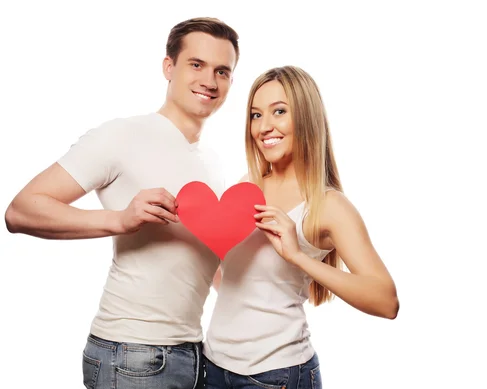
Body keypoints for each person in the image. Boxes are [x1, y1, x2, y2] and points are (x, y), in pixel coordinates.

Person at [4, 17, 239, 389]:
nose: (209, 81)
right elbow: (20, 211)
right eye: (197, 65)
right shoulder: (121, 135)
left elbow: (203, 260)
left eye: (222, 71)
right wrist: (120, 219)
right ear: (169, 67)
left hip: (194, 353)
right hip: (133, 355)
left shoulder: (212, 161)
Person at [202, 65, 400, 388]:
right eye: (255, 115)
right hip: (214, 367)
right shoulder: (247, 185)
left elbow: (386, 300)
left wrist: (298, 256)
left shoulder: (327, 205)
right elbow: (235, 285)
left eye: (279, 112)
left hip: (276, 376)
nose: (264, 127)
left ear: (306, 118)